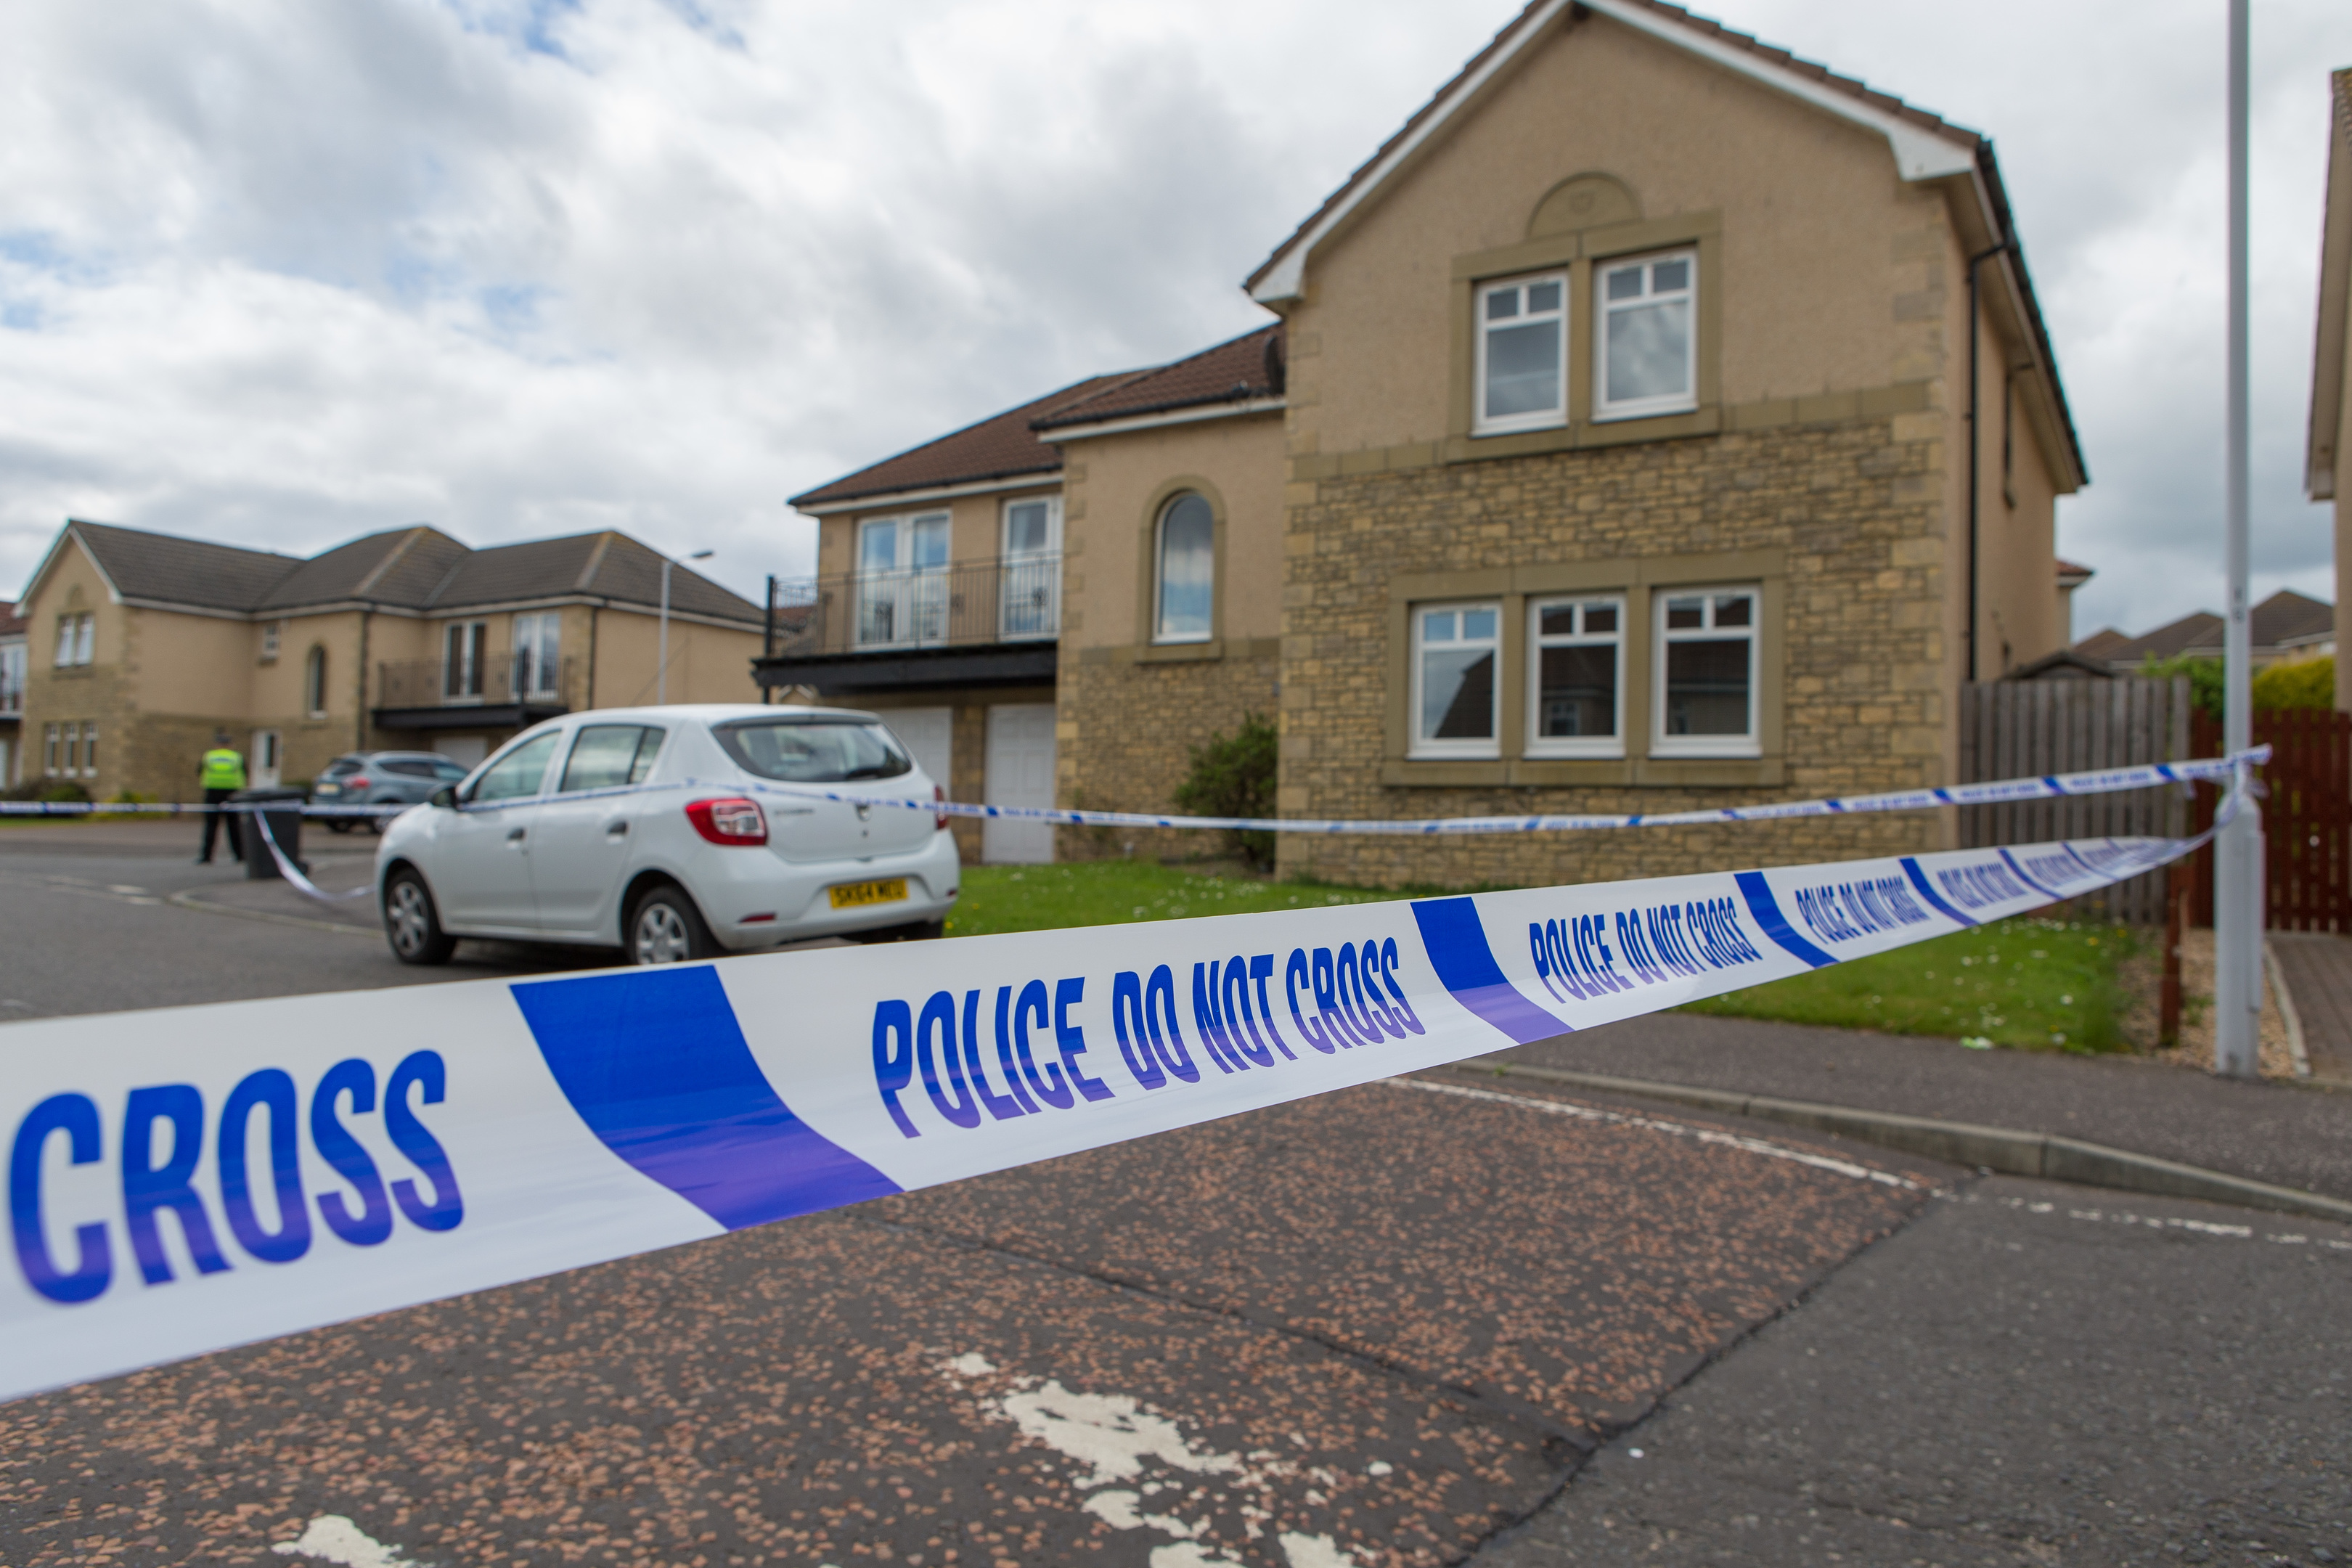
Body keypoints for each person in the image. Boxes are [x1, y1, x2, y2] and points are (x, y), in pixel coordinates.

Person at [197, 731, 245, 864]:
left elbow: (199, 771)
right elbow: (245, 772)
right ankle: (240, 855)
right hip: (232, 794)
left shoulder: (209, 756)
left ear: (216, 745)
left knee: (211, 826)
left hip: (212, 793)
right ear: (230, 745)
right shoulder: (237, 757)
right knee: (234, 826)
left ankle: (206, 856)